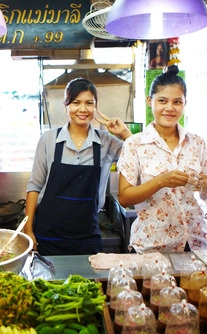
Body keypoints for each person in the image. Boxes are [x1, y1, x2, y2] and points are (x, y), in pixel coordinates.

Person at [25, 78, 132, 255]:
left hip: (86, 237)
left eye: (89, 103)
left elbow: (141, 156)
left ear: (96, 107)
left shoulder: (106, 141)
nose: (83, 109)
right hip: (48, 236)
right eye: (76, 103)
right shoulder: (49, 139)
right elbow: (34, 186)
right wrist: (28, 230)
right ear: (66, 105)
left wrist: (124, 132)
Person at [116, 65, 207, 254]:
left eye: (177, 102)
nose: (169, 108)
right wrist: (161, 181)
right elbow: (125, 197)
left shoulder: (197, 143)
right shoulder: (135, 144)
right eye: (162, 101)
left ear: (185, 103)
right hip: (153, 246)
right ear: (150, 101)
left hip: (195, 244)